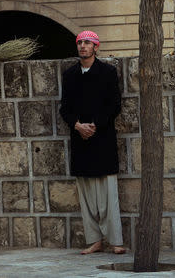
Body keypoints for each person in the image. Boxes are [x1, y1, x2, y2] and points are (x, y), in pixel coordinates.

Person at [60, 30, 125, 254]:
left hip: (102, 138)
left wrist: (95, 125)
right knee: (86, 194)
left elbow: (114, 104)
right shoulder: (69, 75)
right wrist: (78, 126)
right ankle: (94, 240)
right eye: (80, 43)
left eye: (87, 42)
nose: (83, 46)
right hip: (80, 140)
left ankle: (115, 241)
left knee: (108, 192)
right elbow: (64, 108)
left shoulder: (107, 72)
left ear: (96, 46)